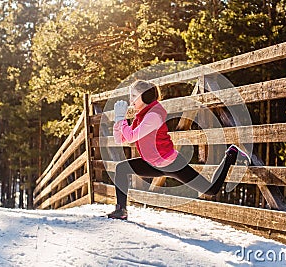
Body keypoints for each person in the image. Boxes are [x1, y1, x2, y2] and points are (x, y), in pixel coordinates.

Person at [107, 80, 250, 220]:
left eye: (133, 96)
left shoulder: (153, 115)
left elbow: (131, 137)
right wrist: (118, 121)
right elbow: (121, 139)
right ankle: (121, 210)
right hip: (153, 164)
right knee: (122, 168)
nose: (130, 100)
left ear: (144, 96)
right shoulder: (141, 116)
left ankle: (231, 155)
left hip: (172, 164)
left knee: (211, 190)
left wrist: (121, 119)